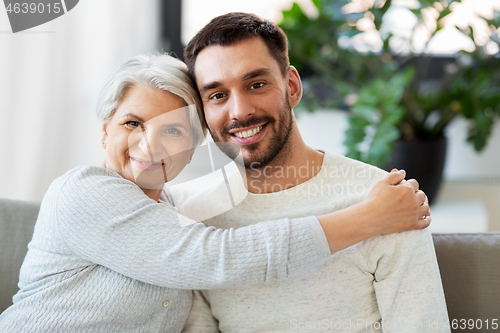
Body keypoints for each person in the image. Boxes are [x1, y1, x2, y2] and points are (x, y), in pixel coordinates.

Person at [0, 53, 429, 333]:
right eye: (132, 124)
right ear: (105, 129)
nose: (150, 145)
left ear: (194, 145)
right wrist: (369, 217)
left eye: (173, 130)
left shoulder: (175, 211)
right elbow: (215, 258)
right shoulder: (84, 192)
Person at [180, 12, 449, 333]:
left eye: (256, 84)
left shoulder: (390, 204)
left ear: (291, 87)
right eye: (218, 95)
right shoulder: (195, 220)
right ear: (203, 112)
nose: (239, 111)